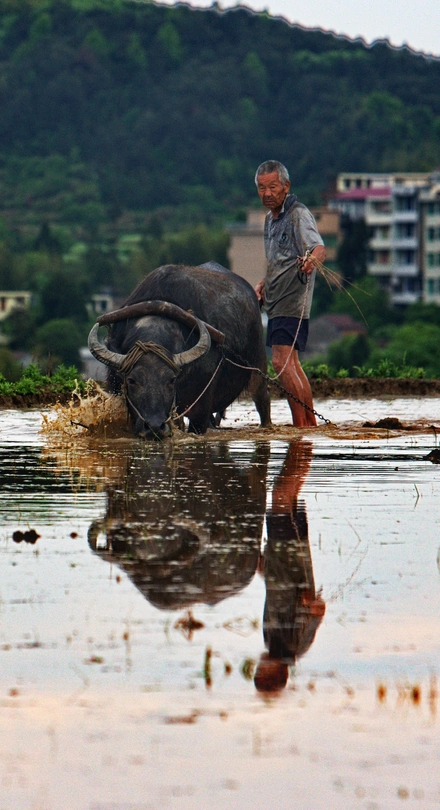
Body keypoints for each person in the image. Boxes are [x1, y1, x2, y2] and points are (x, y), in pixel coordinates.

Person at [254, 160, 326, 427]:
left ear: (286, 186)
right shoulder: (270, 221)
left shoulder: (298, 214)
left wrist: (311, 261)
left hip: (292, 300)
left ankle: (300, 426)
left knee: (280, 362)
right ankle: (308, 424)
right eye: (262, 188)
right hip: (275, 301)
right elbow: (278, 261)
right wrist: (264, 284)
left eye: (273, 187)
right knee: (292, 364)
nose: (267, 193)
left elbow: (319, 249)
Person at [254, 441, 325, 694]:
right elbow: (318, 611)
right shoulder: (297, 647)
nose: (259, 667)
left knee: (288, 493)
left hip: (278, 556)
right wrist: (310, 604)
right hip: (292, 555)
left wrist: (264, 569)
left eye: (257, 671)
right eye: (263, 672)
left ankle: (302, 444)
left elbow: (275, 598)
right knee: (281, 494)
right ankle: (302, 443)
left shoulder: (270, 641)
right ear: (278, 672)